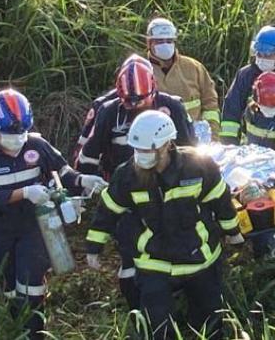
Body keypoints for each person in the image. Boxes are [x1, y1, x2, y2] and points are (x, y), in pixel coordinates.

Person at [85, 110, 243, 340]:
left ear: (167, 144)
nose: (142, 155)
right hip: (154, 262)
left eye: (148, 150)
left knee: (210, 322)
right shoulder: (128, 175)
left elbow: (221, 202)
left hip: (199, 258)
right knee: (157, 326)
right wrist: (93, 248)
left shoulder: (197, 167)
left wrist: (234, 232)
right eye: (138, 150)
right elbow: (107, 211)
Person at [0, 90, 107, 338]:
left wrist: (83, 179)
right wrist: (25, 192)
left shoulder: (37, 145)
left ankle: (36, 331)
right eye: (10, 134)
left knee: (32, 280)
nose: (17, 139)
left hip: (34, 225)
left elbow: (62, 172)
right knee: (9, 284)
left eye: (21, 132)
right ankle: (13, 324)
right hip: (0, 229)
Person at [77, 56, 195, 309]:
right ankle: (137, 308)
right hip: (127, 194)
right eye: (130, 102)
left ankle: (177, 299)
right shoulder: (109, 112)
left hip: (168, 191)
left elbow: (190, 152)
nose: (136, 107)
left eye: (141, 100)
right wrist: (84, 184)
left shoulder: (172, 107)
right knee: (131, 253)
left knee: (175, 243)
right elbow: (89, 154)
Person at [145, 17, 221, 140]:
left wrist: (213, 137)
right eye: (159, 41)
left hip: (194, 140)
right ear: (149, 43)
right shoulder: (141, 71)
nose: (165, 44)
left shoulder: (194, 68)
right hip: (156, 142)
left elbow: (210, 104)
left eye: (169, 40)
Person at [70, 54, 150, 168]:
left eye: (140, 101)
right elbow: (85, 153)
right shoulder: (106, 108)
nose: (134, 105)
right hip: (118, 177)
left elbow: (182, 153)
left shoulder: (170, 105)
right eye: (128, 102)